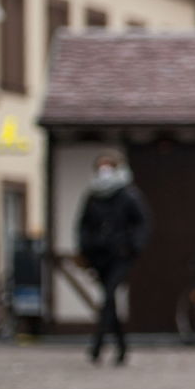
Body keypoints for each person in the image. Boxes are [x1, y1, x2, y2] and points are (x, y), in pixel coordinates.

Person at [76, 150, 150, 365]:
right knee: (109, 300)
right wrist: (85, 249)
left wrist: (132, 247)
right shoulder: (93, 196)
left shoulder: (128, 195)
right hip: (99, 256)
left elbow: (142, 224)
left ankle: (97, 346)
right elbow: (83, 225)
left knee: (109, 295)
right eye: (101, 167)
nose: (104, 171)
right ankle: (121, 347)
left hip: (121, 255)